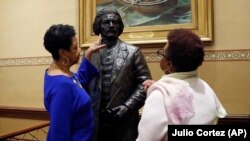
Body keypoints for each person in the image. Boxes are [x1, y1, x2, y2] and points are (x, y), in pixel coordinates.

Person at [136, 28, 227, 141]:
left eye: (163, 53)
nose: (161, 56)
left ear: (169, 64)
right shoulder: (206, 88)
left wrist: (156, 94)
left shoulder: (161, 96)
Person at [87, 9, 152, 141]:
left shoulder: (133, 52)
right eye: (106, 22)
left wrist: (127, 107)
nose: (111, 25)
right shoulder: (90, 54)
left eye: (115, 22)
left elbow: (145, 84)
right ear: (99, 26)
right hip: (97, 123)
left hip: (124, 121)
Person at [43, 24, 106, 141]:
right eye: (75, 48)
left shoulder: (60, 74)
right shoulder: (62, 86)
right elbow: (59, 134)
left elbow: (77, 81)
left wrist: (88, 54)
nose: (79, 50)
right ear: (63, 53)